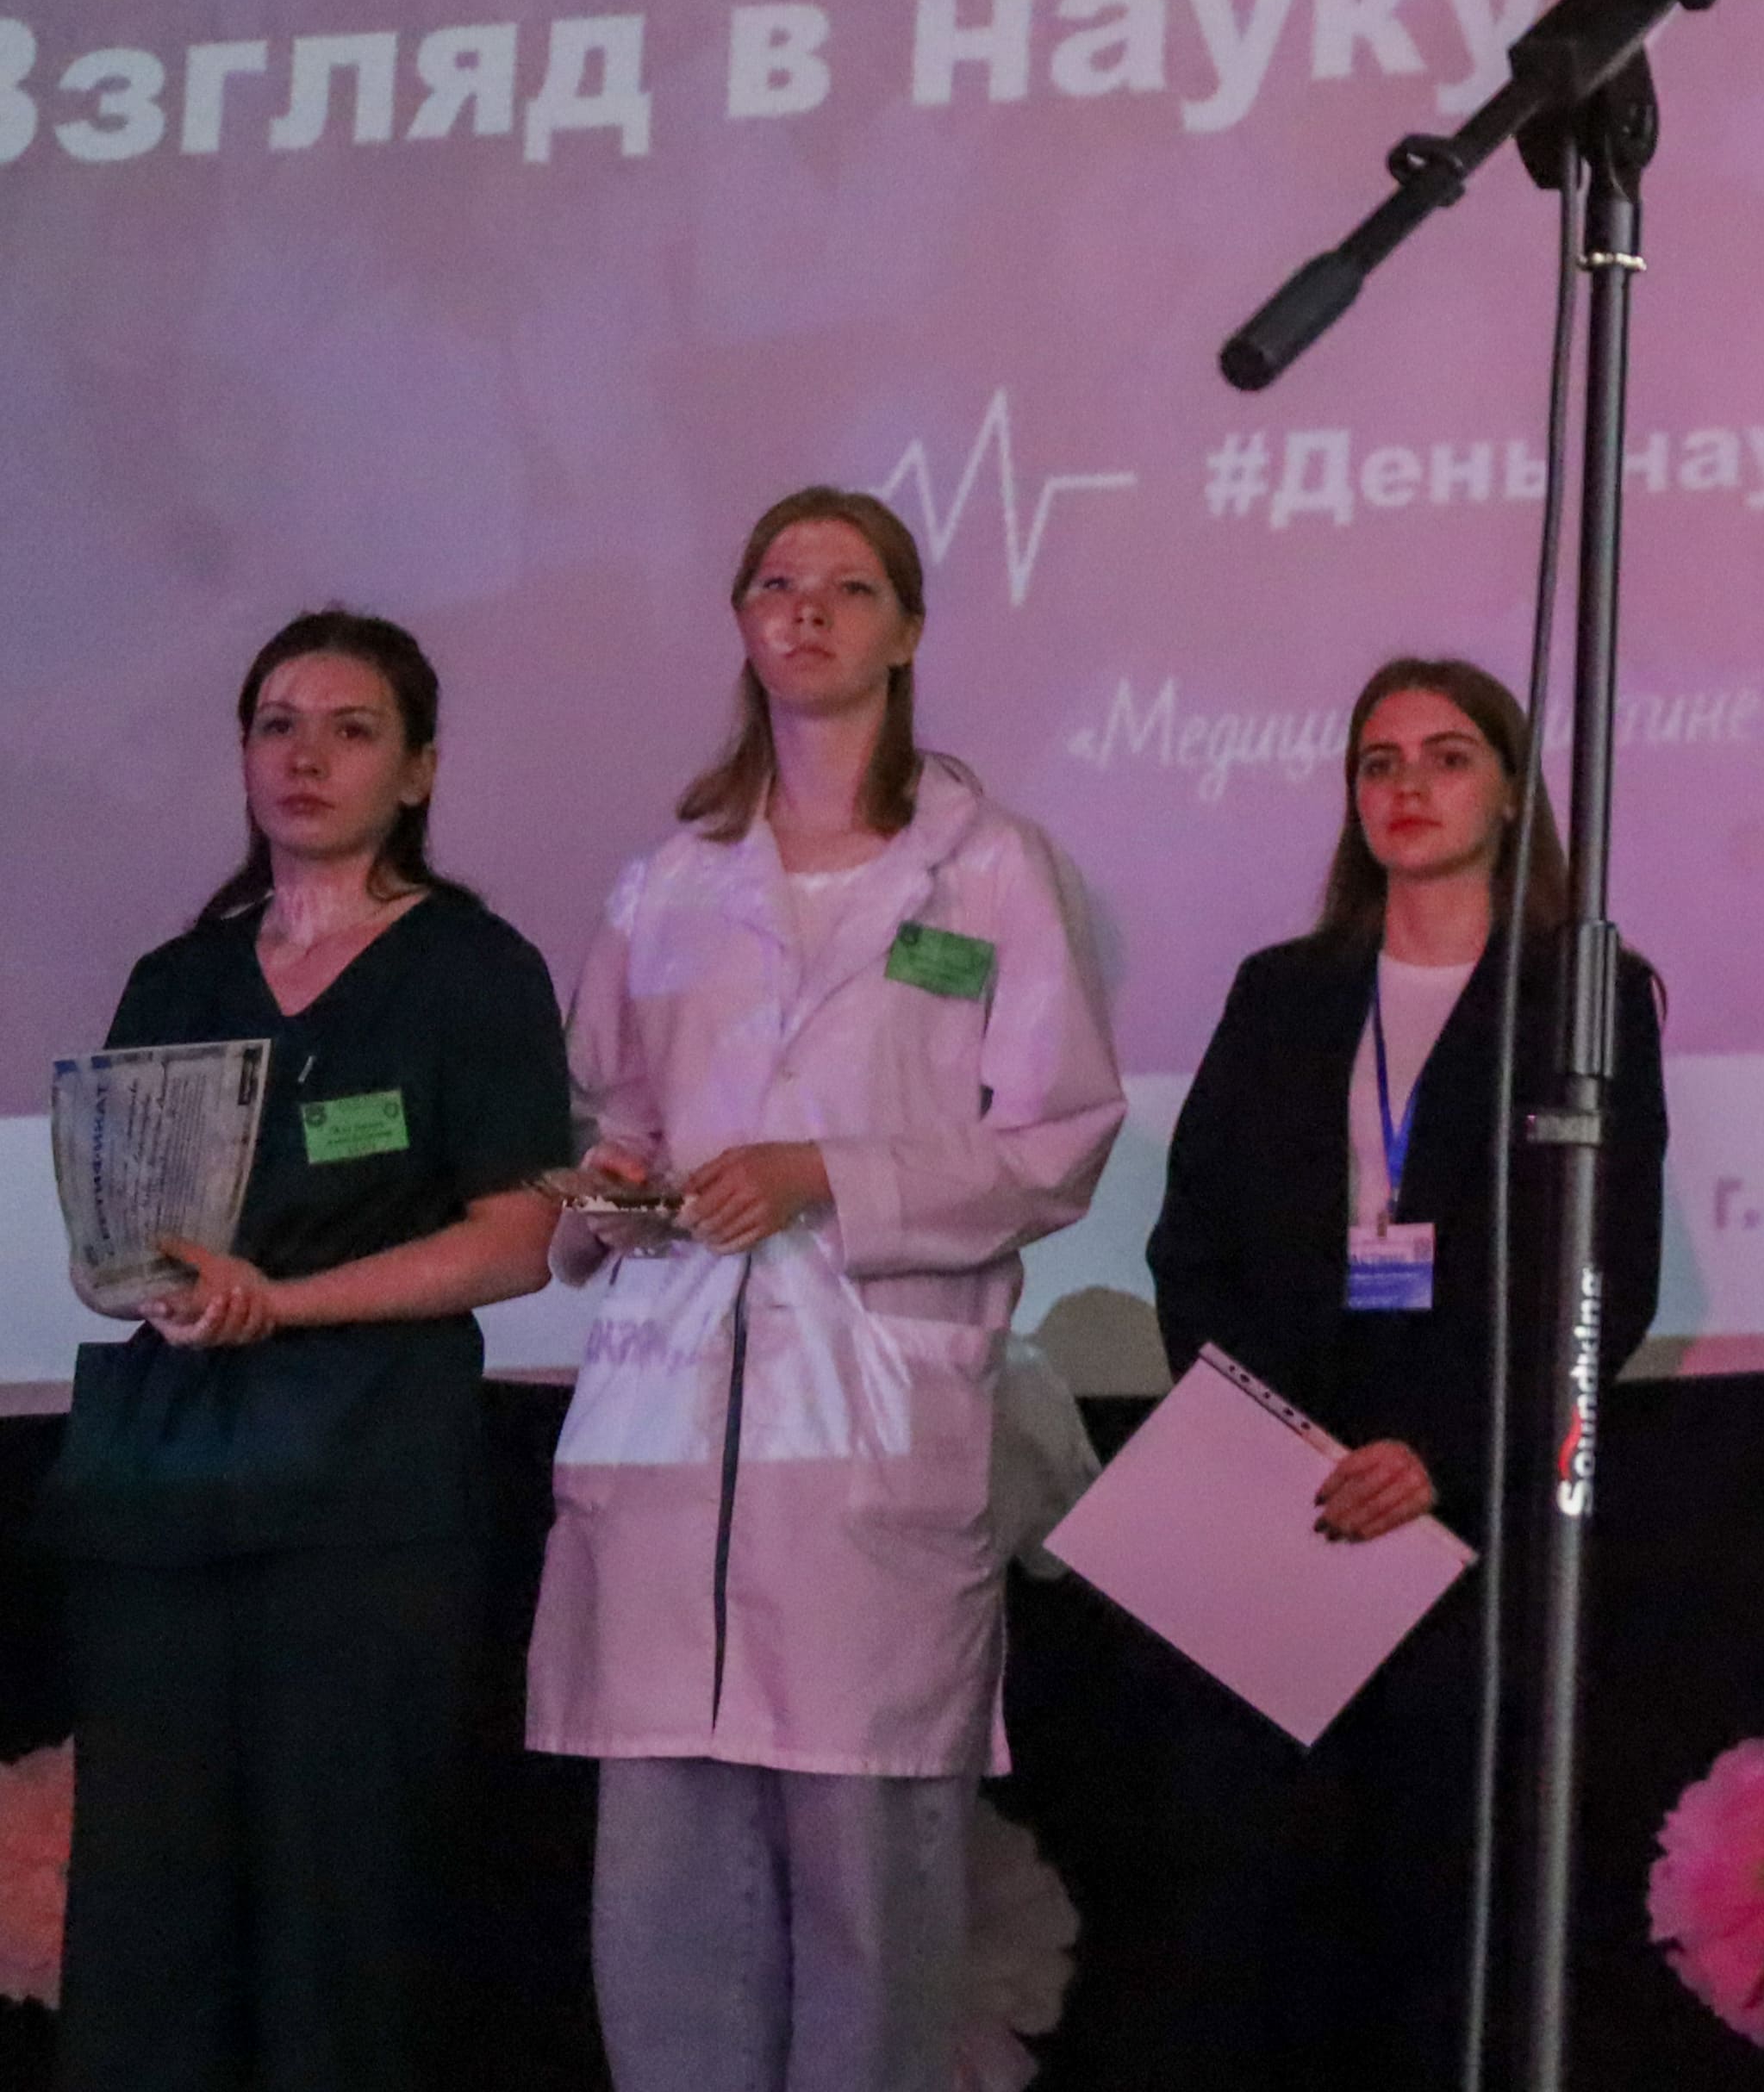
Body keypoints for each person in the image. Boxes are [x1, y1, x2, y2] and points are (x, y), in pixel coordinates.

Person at [529, 487, 1124, 2092]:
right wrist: (612, 1184)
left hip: (868, 1438)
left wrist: (827, 1176)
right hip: (671, 1434)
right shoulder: (666, 882)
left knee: (872, 1900)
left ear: (907, 631)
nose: (807, 611)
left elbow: (1056, 1140)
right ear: (741, 620)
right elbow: (609, 1115)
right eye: (777, 583)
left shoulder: (988, 874)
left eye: (849, 588)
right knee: (663, 1897)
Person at [35, 610, 570, 2092]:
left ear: (418, 770)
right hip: (168, 1497)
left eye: (351, 729)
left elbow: (517, 1238)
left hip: (364, 1500)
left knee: (341, 1907)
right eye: (278, 725)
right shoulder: (179, 977)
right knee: (152, 1907)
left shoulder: (472, 969)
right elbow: (116, 1239)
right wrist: (152, 1281)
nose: (306, 757)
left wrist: (286, 1301)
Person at [1131, 653, 1672, 2092]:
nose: (1408, 787)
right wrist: (1275, 1444)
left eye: (1446, 757)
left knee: (1448, 1907)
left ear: (1509, 791)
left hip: (1472, 1505)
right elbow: (1192, 1246)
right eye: (1379, 763)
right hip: (1285, 1505)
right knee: (1269, 1912)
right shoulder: (1283, 994)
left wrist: (1443, 1450)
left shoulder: (1583, 994)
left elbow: (1605, 1276)